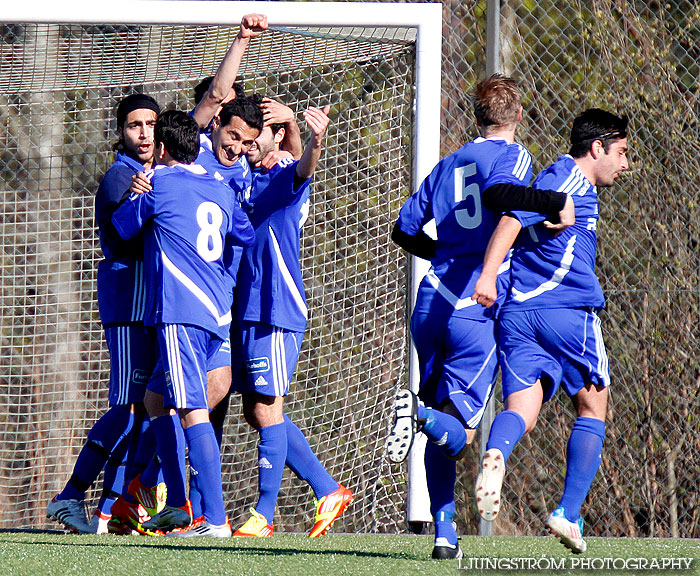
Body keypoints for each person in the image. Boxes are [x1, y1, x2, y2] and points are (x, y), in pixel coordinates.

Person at [386, 74, 575, 559]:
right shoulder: (513, 156)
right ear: (516, 116)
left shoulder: (447, 163)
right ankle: (419, 413)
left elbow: (404, 230)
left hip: (431, 298)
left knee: (440, 427)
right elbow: (499, 197)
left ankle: (445, 534)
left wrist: (445, 252)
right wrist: (555, 202)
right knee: (458, 429)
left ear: (477, 116)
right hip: (476, 305)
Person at [472, 108, 629, 554]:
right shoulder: (567, 180)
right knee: (593, 408)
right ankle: (568, 512)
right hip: (568, 312)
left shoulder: (559, 178)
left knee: (523, 408)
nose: (624, 163)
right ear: (596, 148)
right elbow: (511, 219)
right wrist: (486, 275)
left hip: (520, 316)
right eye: (621, 152)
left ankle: (498, 450)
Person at [111, 110, 256, 536]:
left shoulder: (159, 183)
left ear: (161, 149)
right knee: (157, 401)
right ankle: (176, 502)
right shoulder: (222, 188)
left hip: (179, 314)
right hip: (217, 314)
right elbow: (244, 235)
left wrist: (139, 192)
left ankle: (214, 520)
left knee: (191, 409)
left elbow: (122, 228)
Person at [230, 96, 353, 538]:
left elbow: (305, 168)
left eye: (254, 136)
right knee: (256, 410)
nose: (245, 144)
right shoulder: (243, 177)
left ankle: (263, 514)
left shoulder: (283, 172)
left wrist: (312, 140)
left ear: (276, 137)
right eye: (240, 137)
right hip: (245, 309)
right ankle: (326, 489)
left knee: (267, 409)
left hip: (277, 308)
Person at [46, 93, 163, 534]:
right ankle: (70, 495)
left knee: (146, 408)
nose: (145, 133)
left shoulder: (149, 173)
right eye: (135, 125)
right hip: (129, 303)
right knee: (130, 407)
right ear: (120, 132)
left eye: (151, 124)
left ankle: (111, 509)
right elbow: (125, 238)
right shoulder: (121, 176)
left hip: (145, 305)